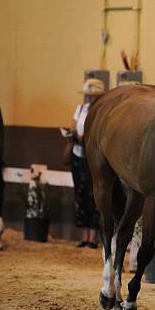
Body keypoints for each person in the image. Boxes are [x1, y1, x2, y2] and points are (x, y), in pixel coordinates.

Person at [70, 79, 104, 249]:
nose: (90, 98)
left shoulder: (101, 111)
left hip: (93, 157)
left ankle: (93, 236)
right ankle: (84, 235)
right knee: (80, 194)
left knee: (94, 195)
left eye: (93, 95)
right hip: (78, 153)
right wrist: (74, 135)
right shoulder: (81, 109)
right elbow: (73, 127)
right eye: (88, 95)